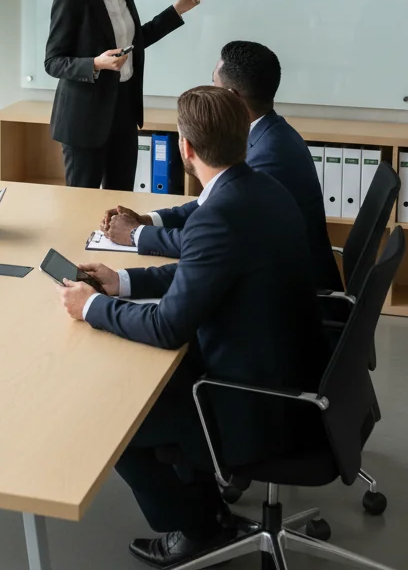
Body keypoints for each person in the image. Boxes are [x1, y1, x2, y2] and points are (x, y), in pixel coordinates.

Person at [60, 86, 327, 568]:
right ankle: (210, 509)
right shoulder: (260, 189)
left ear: (186, 148)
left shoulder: (219, 213)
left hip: (252, 400)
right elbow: (204, 269)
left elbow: (168, 326)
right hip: (292, 374)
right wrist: (120, 282)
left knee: (117, 424)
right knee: (148, 389)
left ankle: (198, 528)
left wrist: (91, 308)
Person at [101, 40, 343, 292]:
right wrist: (149, 220)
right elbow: (211, 206)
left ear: (231, 98)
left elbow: (214, 240)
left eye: (214, 84)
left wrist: (135, 234)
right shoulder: (269, 133)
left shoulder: (269, 158)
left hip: (289, 296)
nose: (210, 90)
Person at [44, 0, 202, 190]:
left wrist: (177, 10)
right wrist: (96, 63)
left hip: (123, 111)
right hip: (84, 119)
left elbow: (134, 39)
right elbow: (53, 62)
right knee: (83, 205)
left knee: (121, 200)